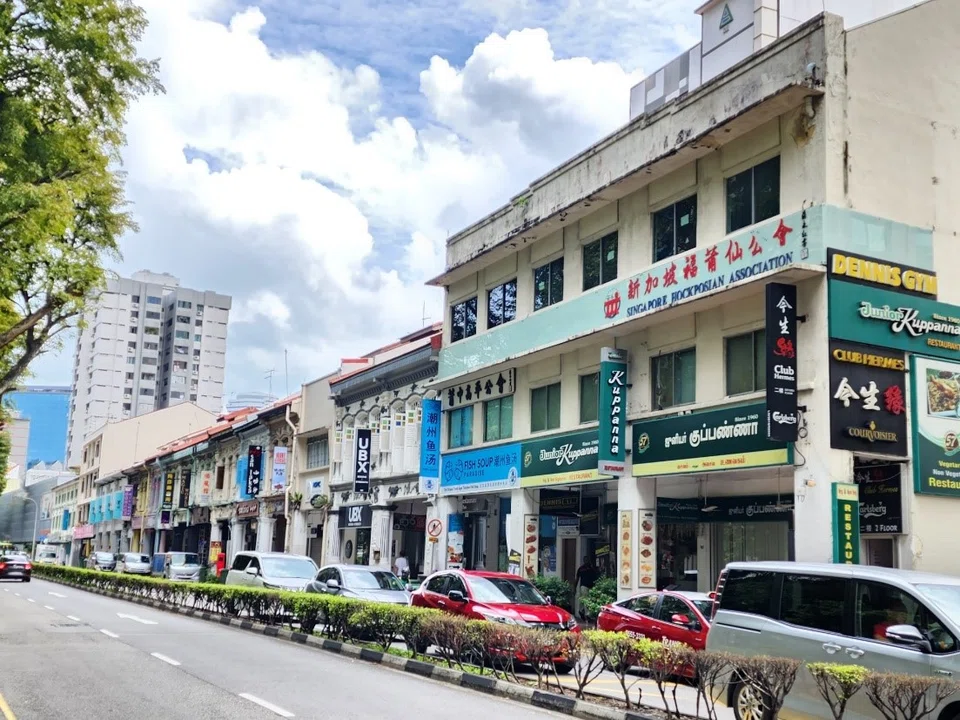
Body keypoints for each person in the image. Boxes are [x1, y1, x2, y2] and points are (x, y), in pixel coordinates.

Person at [575, 556, 598, 621]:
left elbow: (595, 576)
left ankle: (581, 611)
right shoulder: (581, 569)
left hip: (591, 586)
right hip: (584, 586)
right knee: (586, 599)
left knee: (584, 599)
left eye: (587, 559)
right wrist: (575, 587)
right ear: (584, 561)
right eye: (585, 560)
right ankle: (587, 614)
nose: (586, 561)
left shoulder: (591, 568)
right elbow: (577, 579)